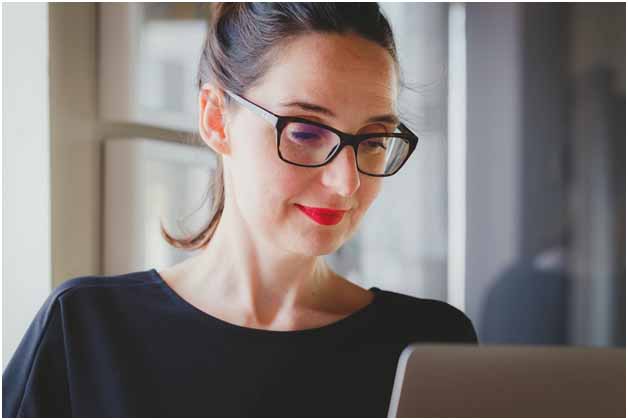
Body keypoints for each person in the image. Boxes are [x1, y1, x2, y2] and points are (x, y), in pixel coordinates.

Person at [3, 3, 478, 417]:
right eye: (307, 132)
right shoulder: (84, 331)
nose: (347, 182)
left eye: (373, 141)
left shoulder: (429, 345)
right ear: (215, 118)